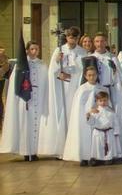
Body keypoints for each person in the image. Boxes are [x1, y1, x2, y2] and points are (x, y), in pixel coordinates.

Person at [42, 29, 85, 157]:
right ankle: (59, 149)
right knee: (60, 115)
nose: (72, 39)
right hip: (61, 87)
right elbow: (52, 71)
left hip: (73, 87)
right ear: (66, 37)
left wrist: (71, 74)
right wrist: (56, 61)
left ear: (78, 38)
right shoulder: (59, 50)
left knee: (71, 115)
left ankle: (71, 147)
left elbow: (82, 71)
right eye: (70, 37)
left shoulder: (82, 52)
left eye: (75, 37)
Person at [0, 41, 46, 161]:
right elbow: (15, 84)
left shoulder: (42, 64)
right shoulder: (21, 65)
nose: (34, 52)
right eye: (32, 49)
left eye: (37, 49)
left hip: (38, 98)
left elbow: (45, 82)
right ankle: (26, 151)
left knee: (36, 124)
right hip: (25, 99)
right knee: (27, 124)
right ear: (27, 50)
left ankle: (35, 151)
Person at [62, 66, 109, 165]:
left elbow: (106, 104)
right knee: (85, 137)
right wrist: (88, 111)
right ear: (85, 76)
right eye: (89, 75)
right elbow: (79, 105)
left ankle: (96, 157)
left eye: (94, 75)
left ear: (97, 75)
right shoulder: (82, 89)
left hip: (98, 117)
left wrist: (99, 109)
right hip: (84, 118)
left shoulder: (102, 88)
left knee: (96, 137)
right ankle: (84, 157)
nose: (92, 77)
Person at [85, 90, 119, 166]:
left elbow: (115, 122)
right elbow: (91, 123)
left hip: (108, 131)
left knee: (109, 145)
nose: (103, 102)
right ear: (97, 101)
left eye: (105, 100)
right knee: (98, 146)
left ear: (108, 100)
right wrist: (88, 116)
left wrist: (116, 131)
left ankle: (108, 158)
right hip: (98, 132)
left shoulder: (111, 111)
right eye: (100, 101)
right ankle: (97, 159)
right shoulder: (95, 111)